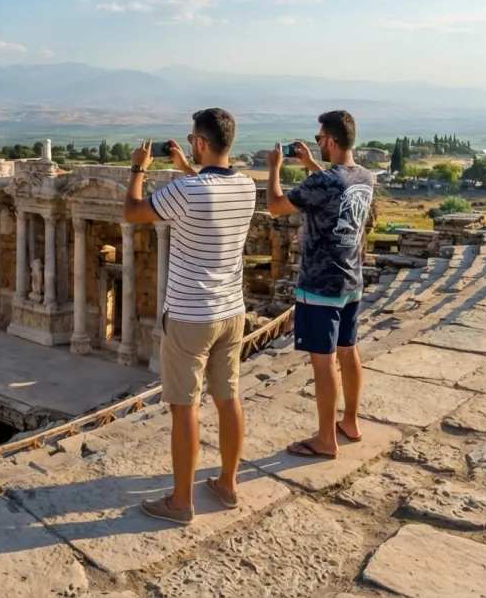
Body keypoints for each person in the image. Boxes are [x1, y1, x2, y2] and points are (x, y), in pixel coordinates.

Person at [124, 108, 255, 525]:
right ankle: (228, 485)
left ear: (200, 143)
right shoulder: (247, 187)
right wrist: (186, 167)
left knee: (185, 407)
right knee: (229, 398)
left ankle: (181, 502)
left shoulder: (187, 193)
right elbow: (206, 192)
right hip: (231, 311)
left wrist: (137, 170)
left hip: (189, 315)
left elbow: (133, 211)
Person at [267, 109, 376, 459]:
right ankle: (351, 422)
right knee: (349, 350)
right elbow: (336, 192)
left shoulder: (323, 183)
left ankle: (326, 439)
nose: (319, 145)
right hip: (351, 282)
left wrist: (275, 168)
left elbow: (275, 206)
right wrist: (312, 163)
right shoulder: (364, 177)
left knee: (324, 361)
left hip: (319, 286)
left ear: (330, 140)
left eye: (319, 140)